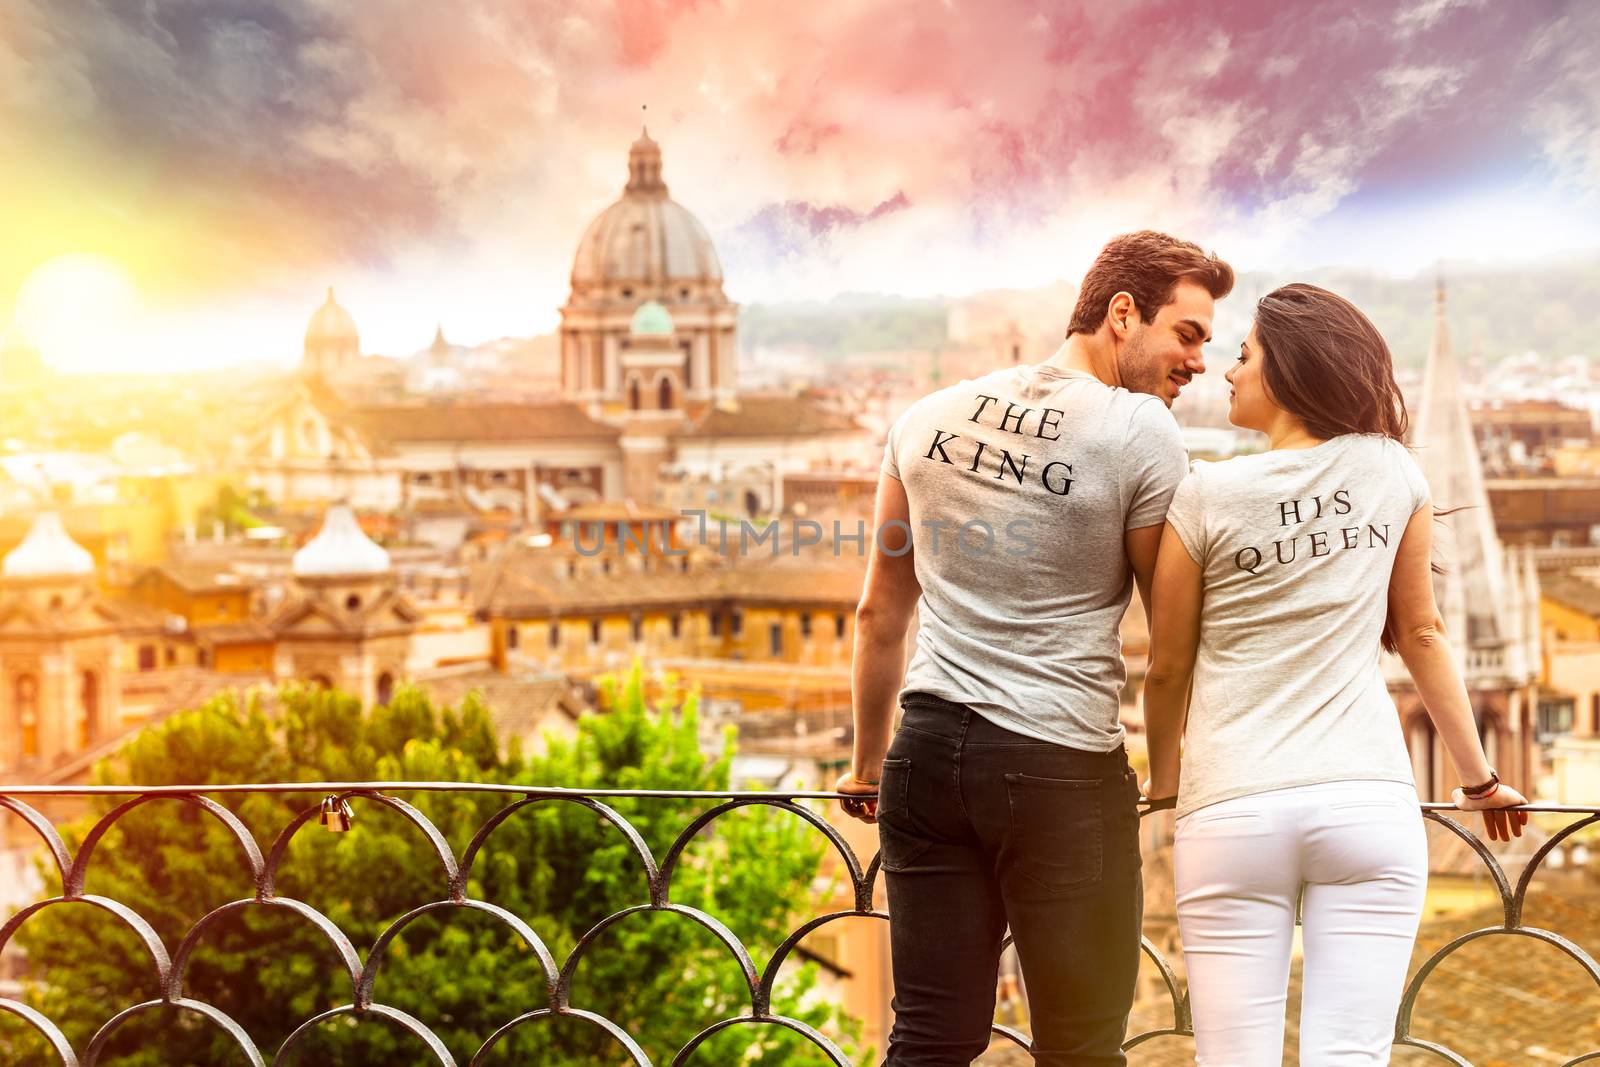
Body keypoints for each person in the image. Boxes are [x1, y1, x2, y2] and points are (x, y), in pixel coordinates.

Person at [836, 230, 1235, 1066]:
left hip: (925, 755)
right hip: (1057, 767)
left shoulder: (926, 417)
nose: (1199, 360)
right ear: (1123, 314)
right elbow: (1173, 638)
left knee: (928, 1039)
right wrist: (1177, 772)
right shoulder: (1138, 431)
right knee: (1082, 1047)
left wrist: (868, 764)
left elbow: (880, 612)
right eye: (1189, 333)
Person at [1140, 283, 1529, 1066]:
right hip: (1366, 802)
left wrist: (1168, 783)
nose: (1227, 373)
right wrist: (1480, 779)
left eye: (1243, 357)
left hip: (1233, 810)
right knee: (1351, 1053)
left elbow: (1167, 665)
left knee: (1232, 1057)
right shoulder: (1391, 469)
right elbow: (1422, 634)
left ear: (1285, 371)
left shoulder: (1205, 490)